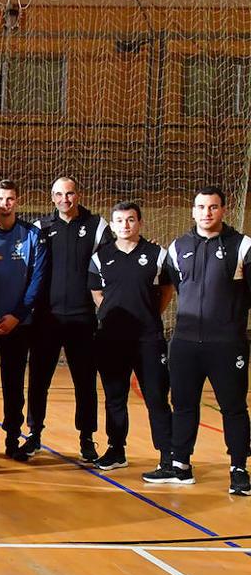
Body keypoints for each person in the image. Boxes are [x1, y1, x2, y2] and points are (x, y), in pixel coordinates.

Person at [152, 187, 250, 495]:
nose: (206, 213)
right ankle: (180, 465)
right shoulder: (178, 247)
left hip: (227, 342)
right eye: (201, 207)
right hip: (185, 342)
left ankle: (239, 469)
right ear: (193, 211)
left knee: (233, 407)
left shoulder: (243, 246)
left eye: (213, 207)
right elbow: (175, 286)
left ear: (223, 210)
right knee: (182, 405)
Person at [28, 176, 111, 462]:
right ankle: (34, 434)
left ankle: (87, 438)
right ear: (52, 197)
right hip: (46, 320)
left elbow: (111, 262)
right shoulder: (41, 228)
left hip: (82, 318)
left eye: (70, 193)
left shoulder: (97, 226)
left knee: (85, 383)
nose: (65, 199)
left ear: (78, 195)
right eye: (59, 194)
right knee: (38, 380)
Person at [88, 201, 173, 473]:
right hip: (111, 340)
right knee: (115, 397)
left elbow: (167, 290)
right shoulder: (101, 257)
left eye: (131, 220)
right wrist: (115, 316)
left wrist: (146, 315)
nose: (125, 225)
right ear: (112, 225)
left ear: (140, 223)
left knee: (156, 397)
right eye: (120, 220)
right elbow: (97, 294)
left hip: (148, 339)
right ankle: (116, 450)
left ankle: (168, 456)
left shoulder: (157, 254)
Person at [0, 180, 47, 463]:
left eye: (10, 198)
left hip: (18, 325)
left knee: (14, 386)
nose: (5, 203)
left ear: (17, 201)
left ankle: (13, 440)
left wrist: (18, 315)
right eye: (0, 198)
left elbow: (37, 281)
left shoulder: (31, 236)